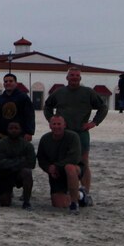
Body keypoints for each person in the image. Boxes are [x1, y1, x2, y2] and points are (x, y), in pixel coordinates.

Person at [42, 67, 107, 206]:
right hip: (62, 133)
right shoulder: (59, 92)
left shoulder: (88, 92)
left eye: (77, 75)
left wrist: (94, 122)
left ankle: (86, 193)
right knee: (64, 162)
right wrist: (52, 120)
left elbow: (103, 107)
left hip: (81, 132)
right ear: (67, 77)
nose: (74, 78)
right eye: (72, 75)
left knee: (83, 162)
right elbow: (47, 106)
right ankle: (67, 190)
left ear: (80, 78)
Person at [37, 115, 84, 214]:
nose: (56, 126)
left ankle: (75, 203)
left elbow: (74, 158)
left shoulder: (73, 136)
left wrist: (56, 166)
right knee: (59, 204)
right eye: (54, 124)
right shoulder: (45, 139)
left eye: (59, 124)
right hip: (55, 174)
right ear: (50, 126)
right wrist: (49, 168)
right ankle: (79, 195)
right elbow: (41, 159)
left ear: (64, 125)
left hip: (74, 169)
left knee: (69, 167)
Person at [0, 120, 36, 209]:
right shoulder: (0, 144)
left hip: (19, 174)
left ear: (21, 130)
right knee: (5, 203)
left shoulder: (27, 146)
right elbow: (0, 163)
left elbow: (31, 163)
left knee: (27, 172)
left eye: (16, 128)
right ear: (7, 130)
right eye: (11, 128)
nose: (14, 130)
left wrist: (9, 162)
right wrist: (20, 161)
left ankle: (26, 201)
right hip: (3, 174)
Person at [0, 72, 36, 141]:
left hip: (20, 137)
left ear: (16, 83)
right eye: (6, 81)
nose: (8, 83)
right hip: (3, 136)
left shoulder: (23, 98)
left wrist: (29, 132)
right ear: (3, 84)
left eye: (11, 81)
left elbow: (29, 116)